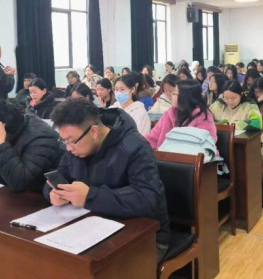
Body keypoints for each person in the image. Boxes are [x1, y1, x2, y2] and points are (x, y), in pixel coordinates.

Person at [44, 98, 170, 263]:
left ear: (94, 131)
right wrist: (53, 194)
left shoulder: (135, 146)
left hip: (145, 237)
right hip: (91, 229)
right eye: (64, 141)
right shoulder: (76, 149)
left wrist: (90, 196)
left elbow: (148, 199)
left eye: (71, 141)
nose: (68, 147)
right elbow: (57, 179)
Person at [209, 81, 263, 207]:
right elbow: (207, 119)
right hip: (223, 142)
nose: (229, 101)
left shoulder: (249, 105)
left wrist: (230, 125)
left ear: (241, 94)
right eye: (226, 97)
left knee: (254, 160)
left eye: (233, 98)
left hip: (249, 141)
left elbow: (256, 123)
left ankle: (262, 190)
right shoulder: (218, 104)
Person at [145, 79, 216, 150]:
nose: (171, 95)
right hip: (166, 155)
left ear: (185, 97)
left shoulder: (202, 116)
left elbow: (206, 144)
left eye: (174, 93)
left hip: (192, 155)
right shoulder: (169, 114)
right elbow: (153, 137)